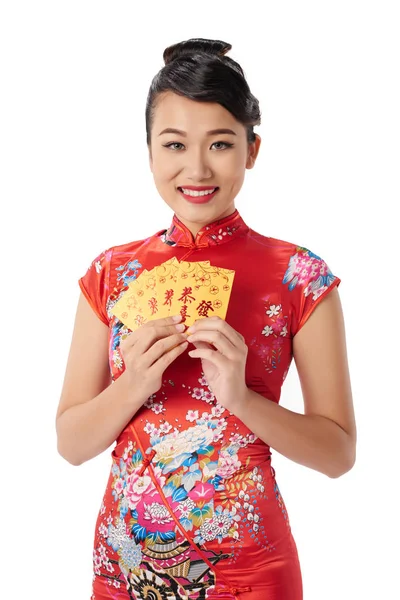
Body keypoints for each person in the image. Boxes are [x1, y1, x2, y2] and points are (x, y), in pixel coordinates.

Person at [56, 38, 356, 600]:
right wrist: (136, 384)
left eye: (220, 143)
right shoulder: (110, 273)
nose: (196, 168)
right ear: (149, 151)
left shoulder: (298, 276)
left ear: (252, 149)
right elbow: (70, 443)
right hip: (126, 567)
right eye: (174, 144)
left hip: (249, 571)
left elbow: (339, 454)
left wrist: (242, 399)